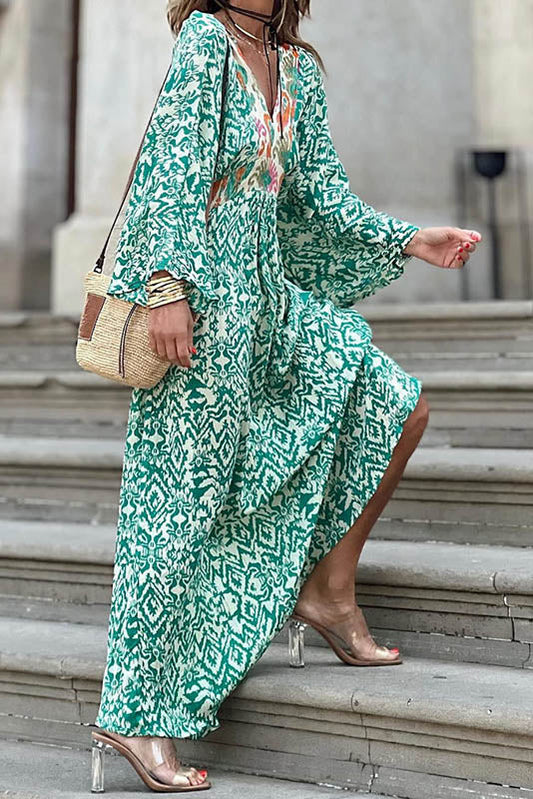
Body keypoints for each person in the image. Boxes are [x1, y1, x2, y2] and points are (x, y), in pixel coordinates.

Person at [90, 0, 482, 792]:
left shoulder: (295, 66)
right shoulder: (205, 43)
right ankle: (134, 712)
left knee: (392, 401)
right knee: (178, 509)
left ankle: (329, 593)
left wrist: (409, 237)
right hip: (198, 311)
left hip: (268, 305)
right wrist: (167, 289)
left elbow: (316, 200)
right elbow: (168, 173)